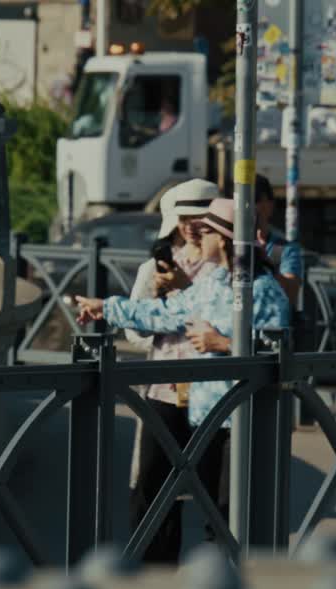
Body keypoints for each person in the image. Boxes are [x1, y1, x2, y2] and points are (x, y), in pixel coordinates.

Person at [74, 198, 291, 536]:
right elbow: (164, 313)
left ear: (221, 239)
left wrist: (223, 343)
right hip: (206, 420)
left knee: (236, 522)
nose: (197, 239)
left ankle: (238, 584)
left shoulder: (263, 290)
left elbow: (279, 351)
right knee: (215, 518)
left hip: (245, 421)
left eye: (203, 232)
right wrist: (107, 308)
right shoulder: (212, 285)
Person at [123, 178, 220, 564]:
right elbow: (135, 329)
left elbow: (230, 327)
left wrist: (183, 295)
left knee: (219, 495)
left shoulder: (230, 270)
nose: (193, 227)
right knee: (152, 490)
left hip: (215, 395)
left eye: (202, 218)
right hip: (163, 392)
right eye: (185, 219)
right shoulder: (156, 267)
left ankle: (224, 574)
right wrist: (159, 306)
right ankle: (152, 574)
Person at [254, 174, 303, 301]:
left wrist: (266, 265)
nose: (248, 208)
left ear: (269, 205)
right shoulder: (227, 242)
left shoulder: (281, 249)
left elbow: (291, 293)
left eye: (254, 200)